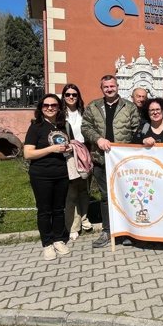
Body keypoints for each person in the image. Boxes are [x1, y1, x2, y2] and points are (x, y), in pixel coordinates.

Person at [82, 75, 141, 248]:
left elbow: (136, 130)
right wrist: (98, 139)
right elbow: (86, 127)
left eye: (112, 86)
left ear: (117, 87)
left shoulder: (128, 107)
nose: (109, 89)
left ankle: (129, 231)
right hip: (101, 159)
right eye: (106, 87)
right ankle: (108, 231)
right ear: (102, 88)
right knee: (106, 197)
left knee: (127, 195)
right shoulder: (93, 106)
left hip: (123, 161)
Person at [24, 94, 72, 261]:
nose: (50, 108)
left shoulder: (62, 126)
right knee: (45, 210)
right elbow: (28, 153)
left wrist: (69, 148)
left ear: (59, 108)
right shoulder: (36, 127)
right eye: (46, 105)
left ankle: (58, 239)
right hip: (41, 175)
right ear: (41, 107)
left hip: (61, 173)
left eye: (53, 105)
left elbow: (66, 145)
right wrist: (51, 150)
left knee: (59, 209)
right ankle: (47, 243)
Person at [61, 83, 93, 242]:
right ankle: (73, 226)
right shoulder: (61, 115)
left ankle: (84, 218)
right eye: (68, 94)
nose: (71, 97)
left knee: (84, 189)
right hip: (69, 156)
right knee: (72, 191)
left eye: (74, 94)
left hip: (85, 154)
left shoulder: (84, 113)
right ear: (64, 97)